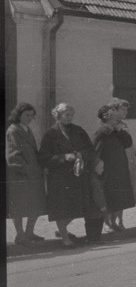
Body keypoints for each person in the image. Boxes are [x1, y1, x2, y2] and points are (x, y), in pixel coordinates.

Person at [38, 103, 95, 248]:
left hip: (76, 174)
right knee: (61, 208)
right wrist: (64, 157)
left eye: (71, 115)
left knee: (76, 206)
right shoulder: (50, 134)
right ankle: (65, 238)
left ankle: (61, 230)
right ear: (58, 115)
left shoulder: (78, 131)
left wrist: (82, 154)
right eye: (66, 115)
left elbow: (90, 148)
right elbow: (43, 158)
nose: (70, 117)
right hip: (59, 177)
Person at [5, 102, 48, 244]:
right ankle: (20, 234)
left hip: (33, 174)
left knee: (35, 204)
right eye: (26, 115)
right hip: (21, 176)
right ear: (18, 115)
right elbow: (12, 156)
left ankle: (29, 232)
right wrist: (29, 170)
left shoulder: (27, 129)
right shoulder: (13, 130)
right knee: (19, 206)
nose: (29, 118)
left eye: (32, 115)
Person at [92, 104, 136, 231]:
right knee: (109, 196)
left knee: (119, 197)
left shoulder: (117, 131)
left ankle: (114, 222)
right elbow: (95, 150)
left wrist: (119, 130)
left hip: (120, 167)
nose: (118, 120)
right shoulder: (102, 132)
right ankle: (107, 223)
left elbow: (128, 143)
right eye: (115, 118)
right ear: (107, 118)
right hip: (108, 169)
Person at [108, 97, 136, 230]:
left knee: (125, 191)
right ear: (114, 110)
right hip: (116, 162)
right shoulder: (110, 124)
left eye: (126, 109)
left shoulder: (123, 124)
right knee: (116, 192)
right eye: (123, 109)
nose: (125, 112)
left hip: (128, 160)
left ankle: (120, 220)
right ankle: (110, 222)